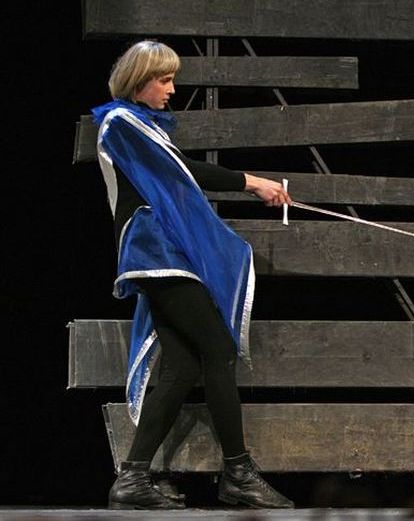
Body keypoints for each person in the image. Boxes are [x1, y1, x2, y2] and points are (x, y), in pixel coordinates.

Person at [92, 40, 294, 510]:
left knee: (183, 365)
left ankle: (132, 478)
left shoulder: (142, 125)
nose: (171, 89)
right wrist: (251, 182)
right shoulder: (120, 122)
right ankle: (238, 473)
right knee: (218, 349)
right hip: (154, 251)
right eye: (163, 80)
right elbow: (180, 172)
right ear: (138, 82)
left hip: (166, 251)